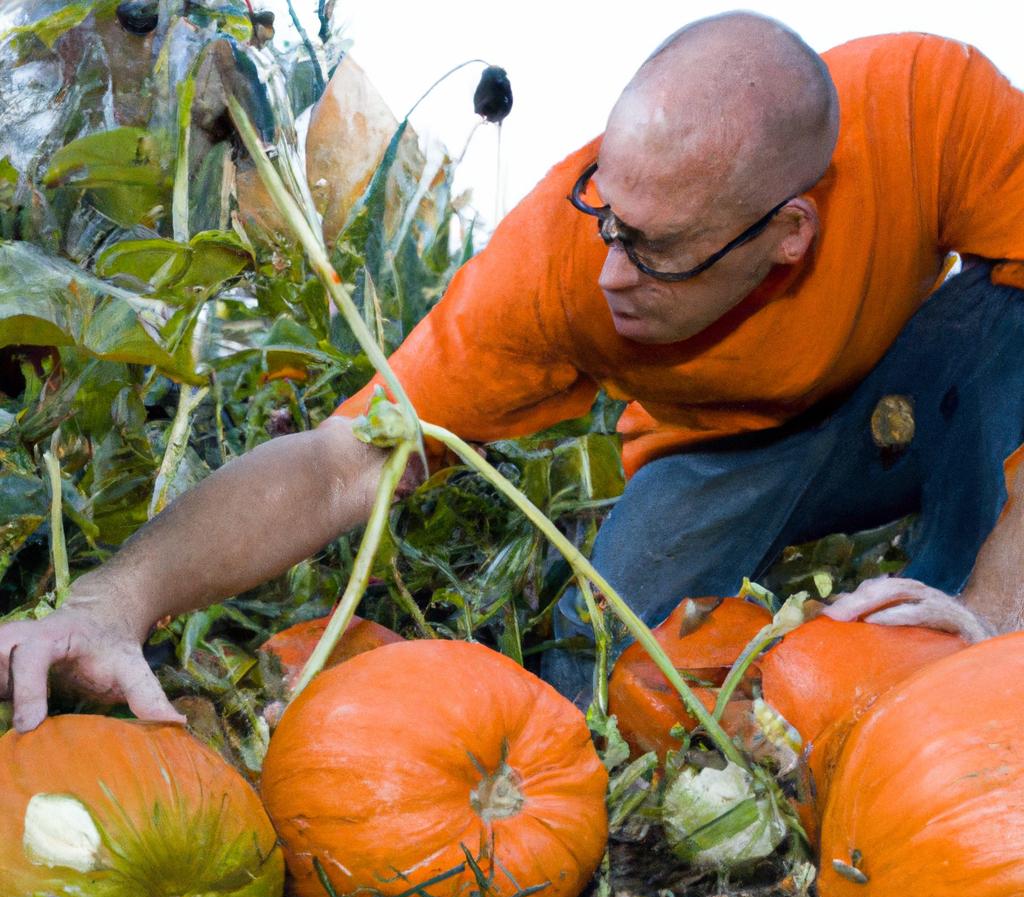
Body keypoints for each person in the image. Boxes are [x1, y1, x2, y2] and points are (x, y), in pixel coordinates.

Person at [3, 12, 1024, 728]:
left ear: (787, 231)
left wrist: (995, 605)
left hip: (915, 394)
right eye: (606, 215)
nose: (612, 271)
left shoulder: (927, 105)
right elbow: (335, 462)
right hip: (720, 453)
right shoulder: (553, 265)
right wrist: (112, 597)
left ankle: (953, 667)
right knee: (615, 663)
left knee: (1000, 321)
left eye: (656, 247)